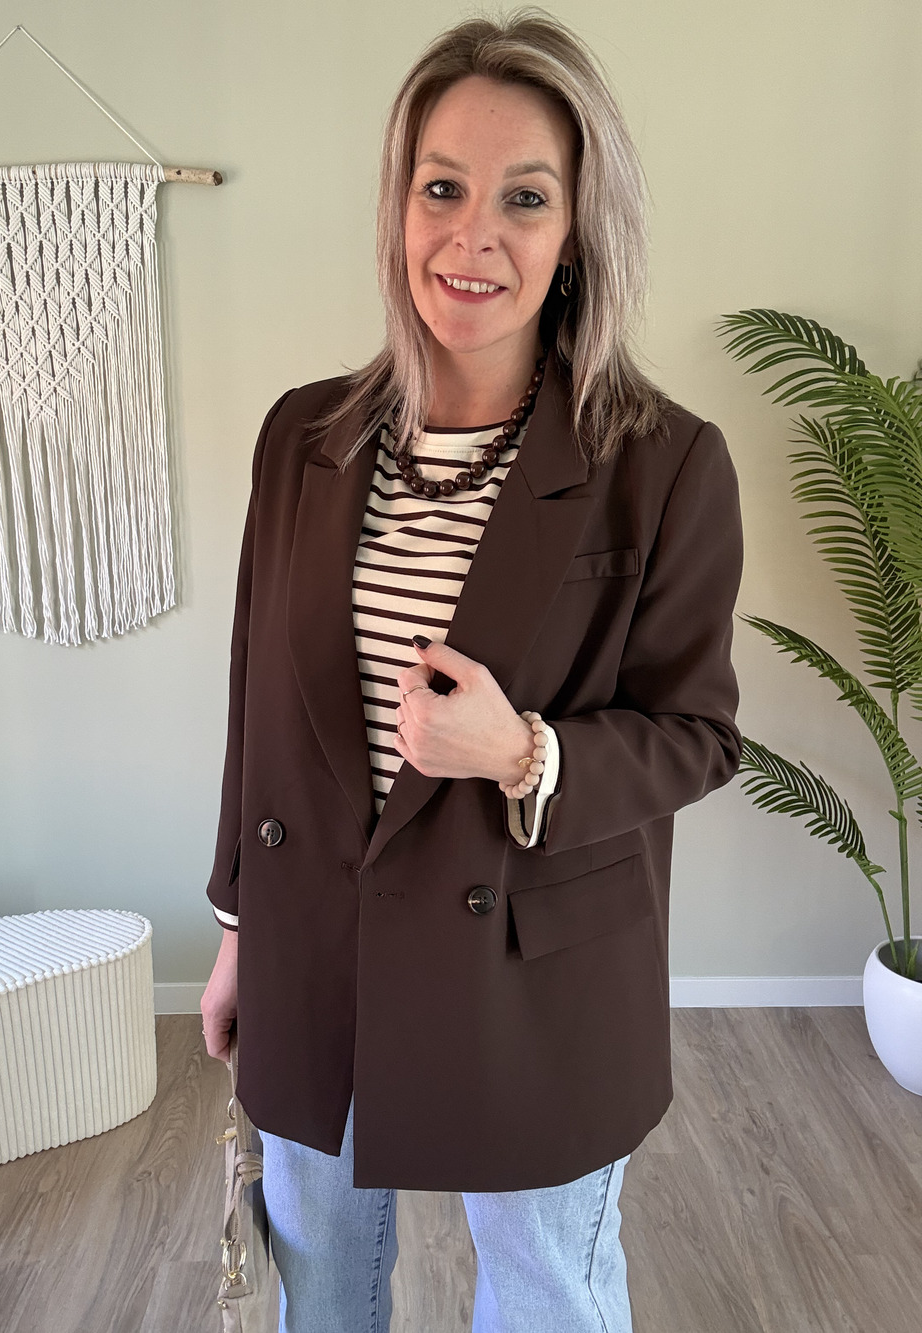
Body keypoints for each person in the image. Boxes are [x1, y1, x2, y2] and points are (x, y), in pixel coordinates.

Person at [200, 8, 744, 1332]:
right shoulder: (302, 437)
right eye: (441, 188)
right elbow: (257, 707)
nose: (473, 236)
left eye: (525, 197)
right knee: (320, 1278)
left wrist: (523, 751)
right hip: (319, 948)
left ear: (578, 232)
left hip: (535, 969)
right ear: (399, 207)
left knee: (547, 1291)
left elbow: (698, 734)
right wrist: (238, 931)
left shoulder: (665, 460)